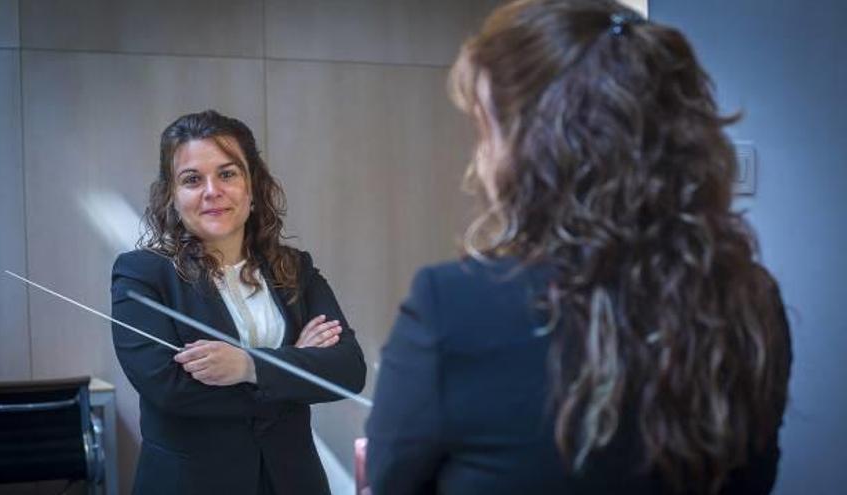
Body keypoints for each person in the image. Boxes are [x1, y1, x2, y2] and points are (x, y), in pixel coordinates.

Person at [365, 1, 792, 494]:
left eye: (487, 131)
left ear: (535, 148)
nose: (480, 160)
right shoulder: (751, 300)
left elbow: (390, 482)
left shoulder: (450, 306)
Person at [111, 110, 366, 495]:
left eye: (227, 174)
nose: (212, 190)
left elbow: (348, 370)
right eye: (192, 179)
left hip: (293, 481)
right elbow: (169, 389)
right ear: (172, 196)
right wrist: (294, 365)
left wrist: (248, 365)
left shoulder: (295, 268)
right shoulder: (142, 274)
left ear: (251, 187)